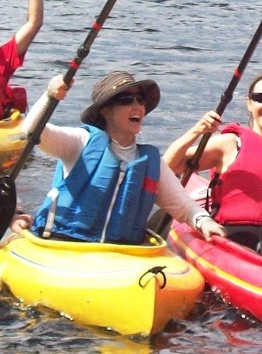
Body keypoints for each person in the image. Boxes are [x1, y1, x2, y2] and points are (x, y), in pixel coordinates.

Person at [19, 71, 226, 246]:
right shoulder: (80, 142)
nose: (137, 106)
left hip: (120, 255)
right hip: (62, 244)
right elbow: (32, 131)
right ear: (105, 111)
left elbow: (186, 209)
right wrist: (49, 95)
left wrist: (204, 222)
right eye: (126, 100)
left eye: (140, 100)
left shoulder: (151, 163)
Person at [163, 71, 262, 249]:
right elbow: (169, 166)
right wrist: (197, 131)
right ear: (249, 103)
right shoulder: (229, 143)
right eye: (260, 98)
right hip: (236, 235)